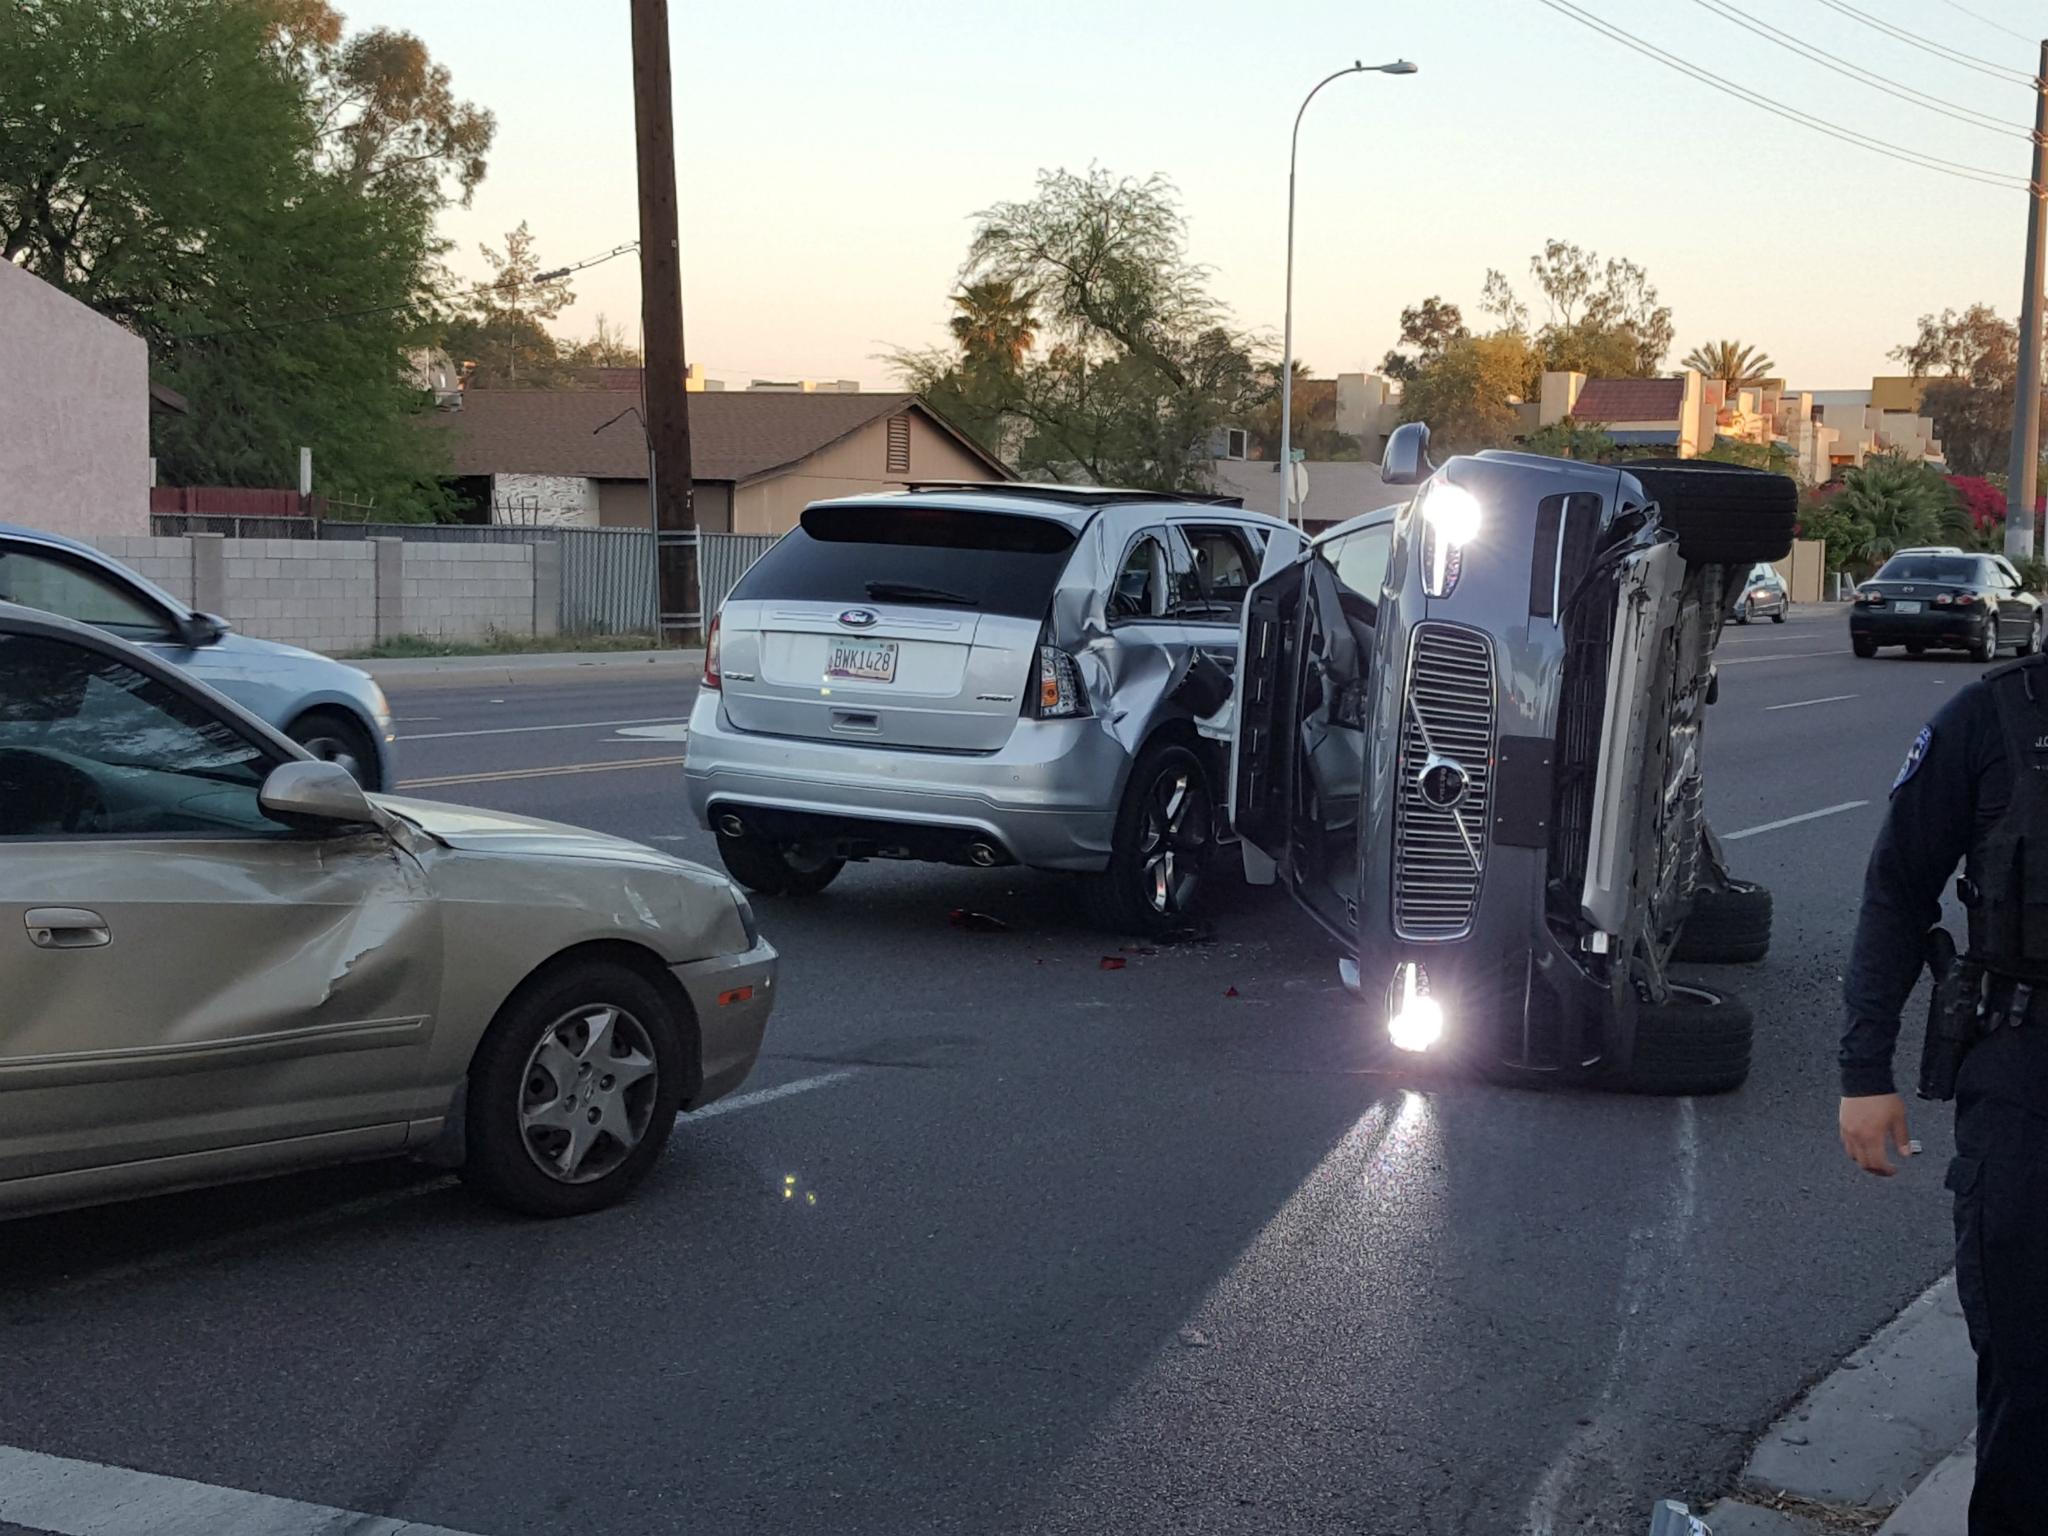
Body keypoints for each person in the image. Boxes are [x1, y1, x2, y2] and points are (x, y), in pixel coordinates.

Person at [1840, 653, 2048, 1535]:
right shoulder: (1992, 717)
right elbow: (1896, 893)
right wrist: (1864, 1073)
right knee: (2029, 1369)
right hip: (2026, 1076)